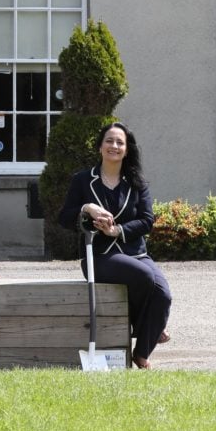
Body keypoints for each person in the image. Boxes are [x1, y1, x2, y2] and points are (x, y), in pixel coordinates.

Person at [58, 121, 172, 369]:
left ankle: (141, 354)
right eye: (109, 141)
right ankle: (146, 327)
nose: (114, 146)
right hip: (98, 257)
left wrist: (117, 230)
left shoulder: (137, 183)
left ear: (127, 149)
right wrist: (86, 208)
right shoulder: (82, 180)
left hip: (135, 252)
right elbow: (64, 217)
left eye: (120, 142)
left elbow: (147, 220)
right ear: (100, 146)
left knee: (163, 293)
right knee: (143, 277)